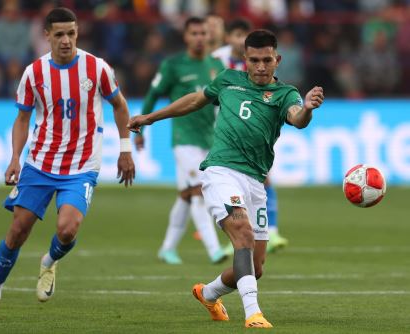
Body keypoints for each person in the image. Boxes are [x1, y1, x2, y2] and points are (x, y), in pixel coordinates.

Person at [128, 29, 324, 329]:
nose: (260, 67)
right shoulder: (228, 80)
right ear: (244, 59)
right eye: (254, 60)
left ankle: (207, 294)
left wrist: (308, 108)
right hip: (221, 171)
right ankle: (253, 313)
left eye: (267, 60)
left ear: (277, 60)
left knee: (255, 267)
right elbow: (194, 100)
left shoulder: (286, 94)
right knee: (242, 234)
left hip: (255, 180)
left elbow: (297, 118)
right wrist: (150, 118)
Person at [0, 7, 135, 311]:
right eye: (59, 34)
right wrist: (15, 158)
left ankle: (49, 261)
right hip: (40, 163)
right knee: (18, 230)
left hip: (83, 165)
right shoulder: (34, 73)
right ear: (46, 35)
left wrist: (125, 149)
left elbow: (120, 105)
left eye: (71, 33)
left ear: (78, 33)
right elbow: (22, 119)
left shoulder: (97, 68)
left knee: (67, 229)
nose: (66, 40)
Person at [134, 17, 227, 265]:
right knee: (198, 191)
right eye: (194, 33)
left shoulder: (217, 65)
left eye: (203, 33)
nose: (199, 37)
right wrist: (141, 127)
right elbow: (154, 94)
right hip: (183, 139)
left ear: (209, 36)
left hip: (209, 137)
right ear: (186, 37)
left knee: (186, 194)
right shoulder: (173, 65)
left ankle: (167, 248)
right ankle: (214, 250)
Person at [213, 19, 289, 253]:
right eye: (235, 34)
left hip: (252, 128)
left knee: (263, 178)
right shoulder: (218, 61)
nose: (238, 39)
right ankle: (234, 237)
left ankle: (270, 231)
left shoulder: (277, 88)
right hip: (223, 125)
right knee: (220, 185)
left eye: (241, 35)